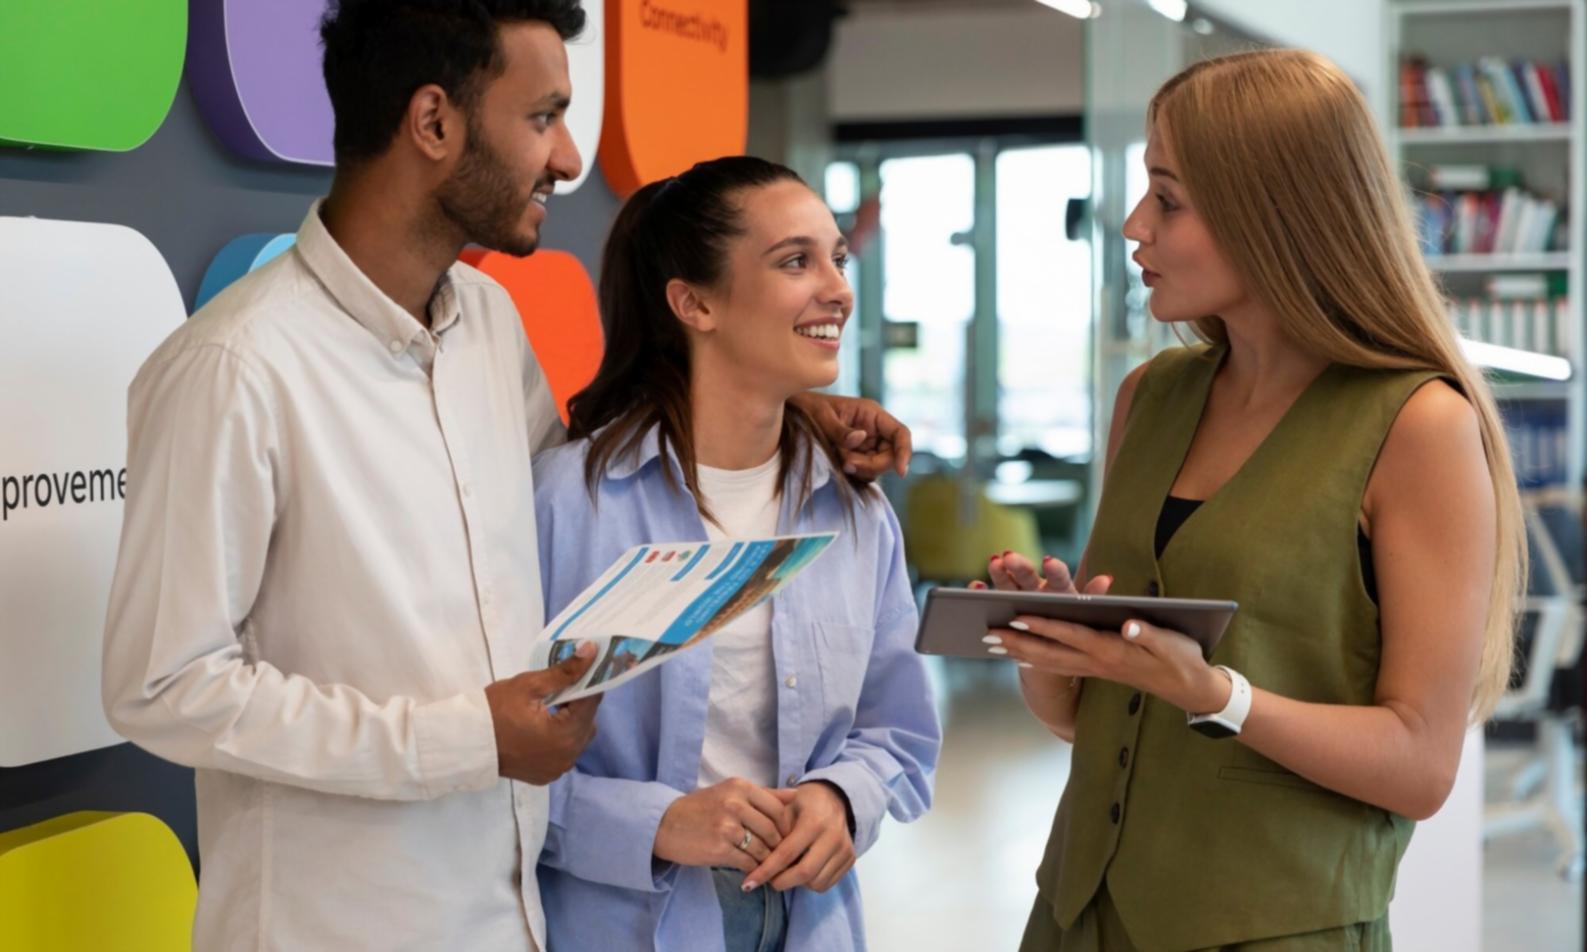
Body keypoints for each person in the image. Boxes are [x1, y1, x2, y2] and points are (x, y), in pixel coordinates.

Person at [99, 3, 910, 949]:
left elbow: (583, 479)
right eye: (541, 117)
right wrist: (467, 740)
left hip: (515, 917)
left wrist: (787, 405)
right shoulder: (234, 367)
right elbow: (164, 686)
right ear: (434, 122)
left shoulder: (487, 321)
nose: (567, 159)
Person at [983, 50, 1523, 951]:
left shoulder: (1416, 425)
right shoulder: (1149, 397)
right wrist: (1048, 653)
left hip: (1275, 928)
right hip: (1078, 913)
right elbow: (1086, 723)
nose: (1130, 225)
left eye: (1167, 199)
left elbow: (1420, 767)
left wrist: (1217, 694)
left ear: (1272, 213)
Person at [532, 156, 942, 952]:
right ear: (693, 303)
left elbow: (897, 729)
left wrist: (840, 798)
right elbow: (492, 762)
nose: (836, 288)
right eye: (796, 261)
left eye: (837, 257)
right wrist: (656, 823)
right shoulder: (565, 504)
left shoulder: (854, 508)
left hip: (809, 923)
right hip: (621, 920)